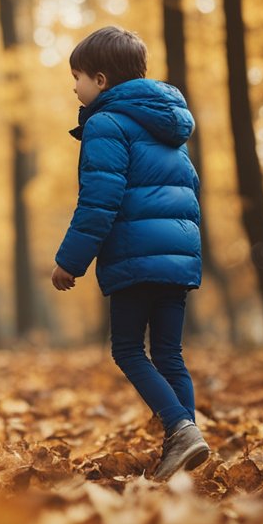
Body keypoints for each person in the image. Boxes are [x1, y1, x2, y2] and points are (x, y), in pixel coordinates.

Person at [50, 26, 209, 480]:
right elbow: (190, 192)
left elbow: (100, 201)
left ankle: (180, 428)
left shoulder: (105, 123)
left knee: (126, 348)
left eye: (77, 77)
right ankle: (184, 450)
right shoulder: (167, 127)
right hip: (177, 258)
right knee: (169, 353)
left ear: (101, 80)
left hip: (136, 258)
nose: (74, 88)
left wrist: (70, 261)